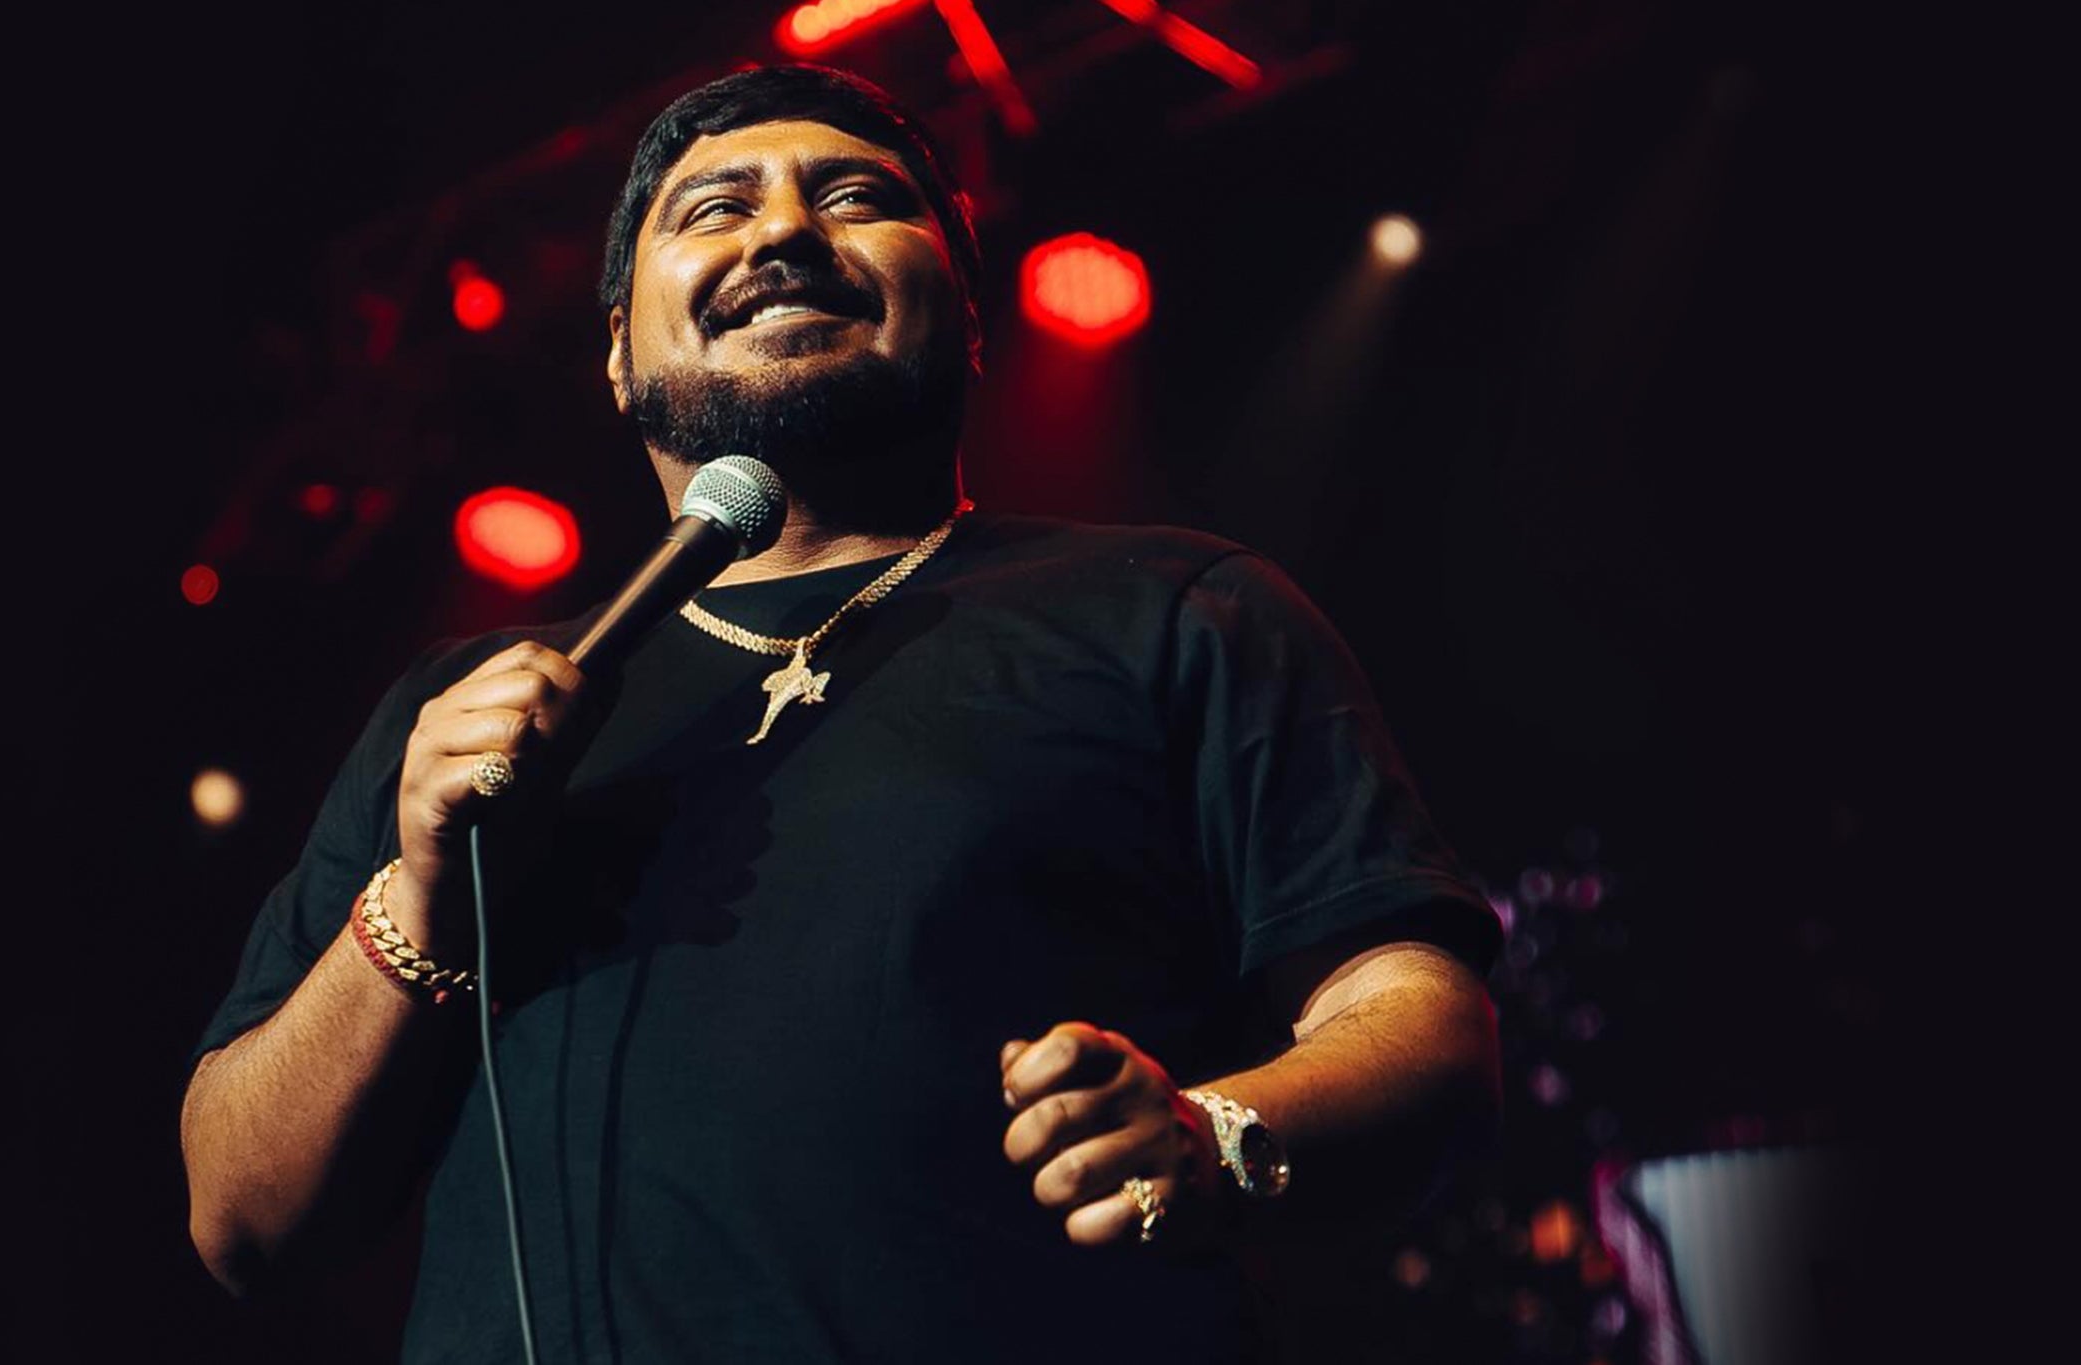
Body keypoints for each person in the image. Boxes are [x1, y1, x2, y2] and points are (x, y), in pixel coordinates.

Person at [181, 64, 1502, 1364]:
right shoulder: (457, 711)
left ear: (968, 314)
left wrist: (1215, 1134)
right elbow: (240, 1218)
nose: (784, 232)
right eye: (715, 208)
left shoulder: (1177, 608)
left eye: (855, 197)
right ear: (619, 355)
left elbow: (1419, 1014)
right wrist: (420, 900)